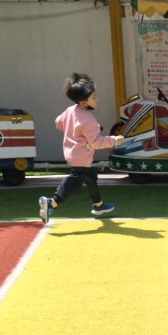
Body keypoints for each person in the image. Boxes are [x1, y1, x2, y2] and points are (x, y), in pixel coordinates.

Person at [38, 73, 125, 224]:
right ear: (83, 102)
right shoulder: (89, 119)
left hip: (74, 154)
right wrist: (114, 140)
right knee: (74, 183)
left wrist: (75, 131)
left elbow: (58, 123)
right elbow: (96, 142)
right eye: (94, 97)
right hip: (81, 157)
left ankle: (98, 205)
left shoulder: (71, 110)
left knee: (91, 178)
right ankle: (51, 203)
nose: (97, 99)